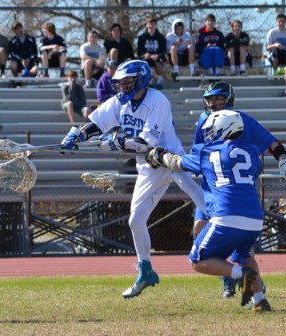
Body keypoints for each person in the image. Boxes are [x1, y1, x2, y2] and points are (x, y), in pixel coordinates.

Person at [60, 60, 206, 299]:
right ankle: (146, 270)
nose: (123, 87)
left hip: (171, 158)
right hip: (149, 167)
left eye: (127, 82)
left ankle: (231, 260)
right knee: (135, 221)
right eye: (120, 83)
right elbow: (97, 123)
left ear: (140, 79)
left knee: (207, 207)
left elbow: (147, 143)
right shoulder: (120, 102)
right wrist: (79, 134)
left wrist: (117, 142)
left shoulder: (157, 101)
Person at [145, 110, 271, 312]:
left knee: (198, 260)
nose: (210, 134)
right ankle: (259, 300)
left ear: (225, 128)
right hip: (255, 217)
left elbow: (178, 163)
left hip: (227, 215)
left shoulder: (208, 151)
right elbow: (256, 169)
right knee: (244, 254)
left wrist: (160, 156)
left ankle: (241, 275)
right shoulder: (253, 150)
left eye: (213, 130)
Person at [192, 81, 286, 298]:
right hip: (212, 185)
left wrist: (283, 157)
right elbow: (197, 151)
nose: (214, 102)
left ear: (229, 100)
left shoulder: (241, 119)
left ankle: (244, 279)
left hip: (234, 189)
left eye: (219, 98)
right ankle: (233, 278)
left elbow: (268, 140)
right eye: (211, 98)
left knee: (234, 235)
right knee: (200, 226)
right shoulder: (204, 120)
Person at [137, 16, 167, 89]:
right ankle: (149, 81)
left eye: (153, 24)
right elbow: (139, 52)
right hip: (146, 59)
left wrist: (158, 56)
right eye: (149, 24)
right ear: (147, 25)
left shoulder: (161, 37)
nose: (151, 26)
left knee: (159, 63)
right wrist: (144, 55)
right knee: (146, 64)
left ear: (156, 25)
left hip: (157, 58)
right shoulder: (141, 37)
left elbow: (164, 51)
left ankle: (159, 82)